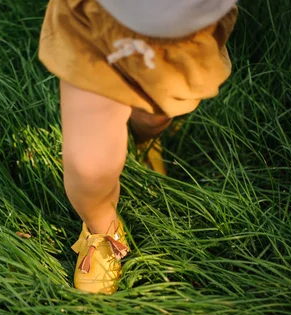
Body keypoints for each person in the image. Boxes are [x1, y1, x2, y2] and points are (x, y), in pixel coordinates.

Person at [38, 0, 238, 294]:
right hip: (96, 23)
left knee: (155, 116)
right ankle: (102, 228)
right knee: (88, 166)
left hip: (184, 34)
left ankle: (146, 139)